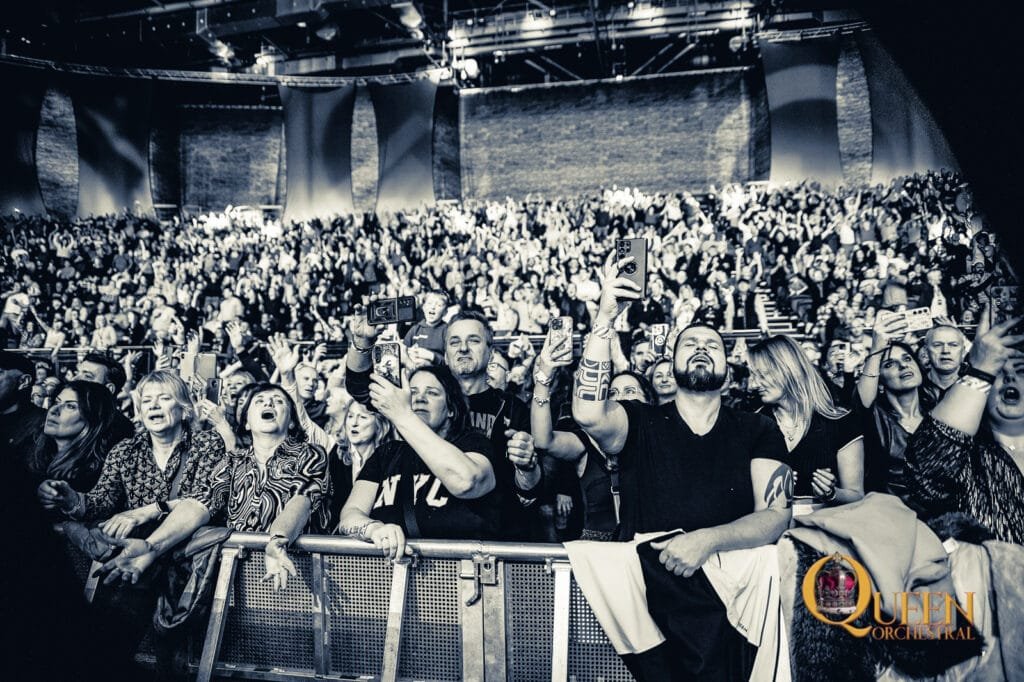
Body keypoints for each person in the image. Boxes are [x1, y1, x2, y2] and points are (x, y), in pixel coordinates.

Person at [572, 252, 791, 681]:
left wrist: (706, 541)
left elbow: (776, 516)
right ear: (670, 365)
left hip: (734, 603)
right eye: (690, 344)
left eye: (713, 345)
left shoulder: (758, 428)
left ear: (730, 371)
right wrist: (605, 318)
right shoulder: (640, 420)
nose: (702, 349)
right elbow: (586, 412)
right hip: (654, 602)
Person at [95, 383, 330, 591]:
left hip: (299, 571)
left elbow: (302, 500)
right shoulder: (233, 460)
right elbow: (201, 502)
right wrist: (151, 546)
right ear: (246, 422)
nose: (268, 402)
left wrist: (278, 541)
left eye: (278, 401)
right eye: (259, 401)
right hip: (241, 576)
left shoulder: (309, 454)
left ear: (291, 422)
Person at [338, 364, 501, 558]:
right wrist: (374, 529)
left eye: (432, 393)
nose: (420, 398)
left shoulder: (472, 444)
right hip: (390, 578)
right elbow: (350, 515)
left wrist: (403, 415)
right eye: (412, 392)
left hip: (459, 578)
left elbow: (467, 482)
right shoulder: (387, 453)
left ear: (451, 409)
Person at [905, 313, 1024, 544]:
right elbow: (924, 474)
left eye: (1022, 371)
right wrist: (981, 369)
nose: (1009, 376)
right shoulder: (969, 458)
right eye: (998, 373)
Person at [747, 335, 864, 505]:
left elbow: (857, 495)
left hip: (822, 524)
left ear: (788, 369)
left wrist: (831, 493)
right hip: (770, 525)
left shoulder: (841, 421)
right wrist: (773, 489)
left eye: (762, 375)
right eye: (752, 376)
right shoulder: (753, 424)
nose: (754, 385)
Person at [856, 317, 935, 502]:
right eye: (889, 364)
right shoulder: (873, 416)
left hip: (944, 517)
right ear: (879, 382)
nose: (903, 365)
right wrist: (876, 350)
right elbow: (861, 401)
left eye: (907, 358)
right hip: (891, 517)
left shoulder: (940, 412)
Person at [29, 381, 134, 492]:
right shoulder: (32, 453)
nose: (53, 411)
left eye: (70, 406)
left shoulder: (99, 475)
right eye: (56, 402)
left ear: (92, 419)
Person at [921, 324, 968, 404]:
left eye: (953, 345)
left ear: (963, 351)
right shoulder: (916, 387)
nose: (945, 351)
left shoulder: (975, 387)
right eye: (937, 345)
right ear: (926, 351)